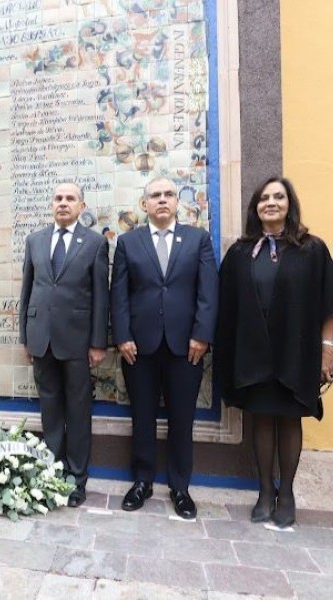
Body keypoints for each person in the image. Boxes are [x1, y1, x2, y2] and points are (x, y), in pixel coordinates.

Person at [215, 177, 333, 527]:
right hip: (253, 352)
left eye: (278, 197)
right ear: (255, 207)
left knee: (290, 418)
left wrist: (326, 351)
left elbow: (330, 304)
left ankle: (286, 493)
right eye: (263, 198)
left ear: (290, 203)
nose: (270, 203)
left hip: (296, 350)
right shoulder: (240, 252)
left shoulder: (311, 249)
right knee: (261, 418)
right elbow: (227, 308)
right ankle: (264, 490)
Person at [111, 177, 218, 517]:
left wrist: (202, 335)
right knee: (141, 416)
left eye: (168, 194)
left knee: (181, 419)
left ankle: (180, 487)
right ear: (145, 204)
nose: (161, 200)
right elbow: (120, 295)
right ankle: (142, 481)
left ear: (177, 202)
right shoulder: (129, 242)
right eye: (154, 195)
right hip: (138, 347)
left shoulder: (198, 240)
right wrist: (123, 336)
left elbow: (207, 292)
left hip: (186, 346)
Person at [19, 182, 110, 507]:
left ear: (81, 206)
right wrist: (25, 337)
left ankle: (76, 480)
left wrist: (99, 343)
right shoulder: (35, 240)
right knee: (50, 410)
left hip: (77, 342)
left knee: (78, 411)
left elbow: (102, 296)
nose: (63, 203)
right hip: (41, 340)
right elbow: (27, 291)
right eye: (58, 198)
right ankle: (52, 472)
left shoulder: (95, 243)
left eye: (70, 199)